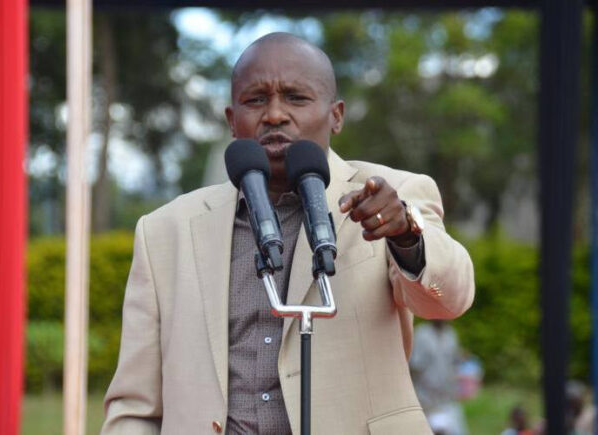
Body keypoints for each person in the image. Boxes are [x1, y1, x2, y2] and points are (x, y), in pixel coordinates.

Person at [102, 32, 474, 434]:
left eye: (296, 98)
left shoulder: (386, 197)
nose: (275, 115)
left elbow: (449, 301)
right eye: (255, 100)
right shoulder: (164, 231)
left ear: (336, 115)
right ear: (232, 120)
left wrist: (405, 234)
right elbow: (136, 407)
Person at [409, 320, 467, 435]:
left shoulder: (450, 333)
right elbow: (414, 365)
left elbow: (453, 360)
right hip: (425, 397)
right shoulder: (422, 333)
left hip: (447, 396)